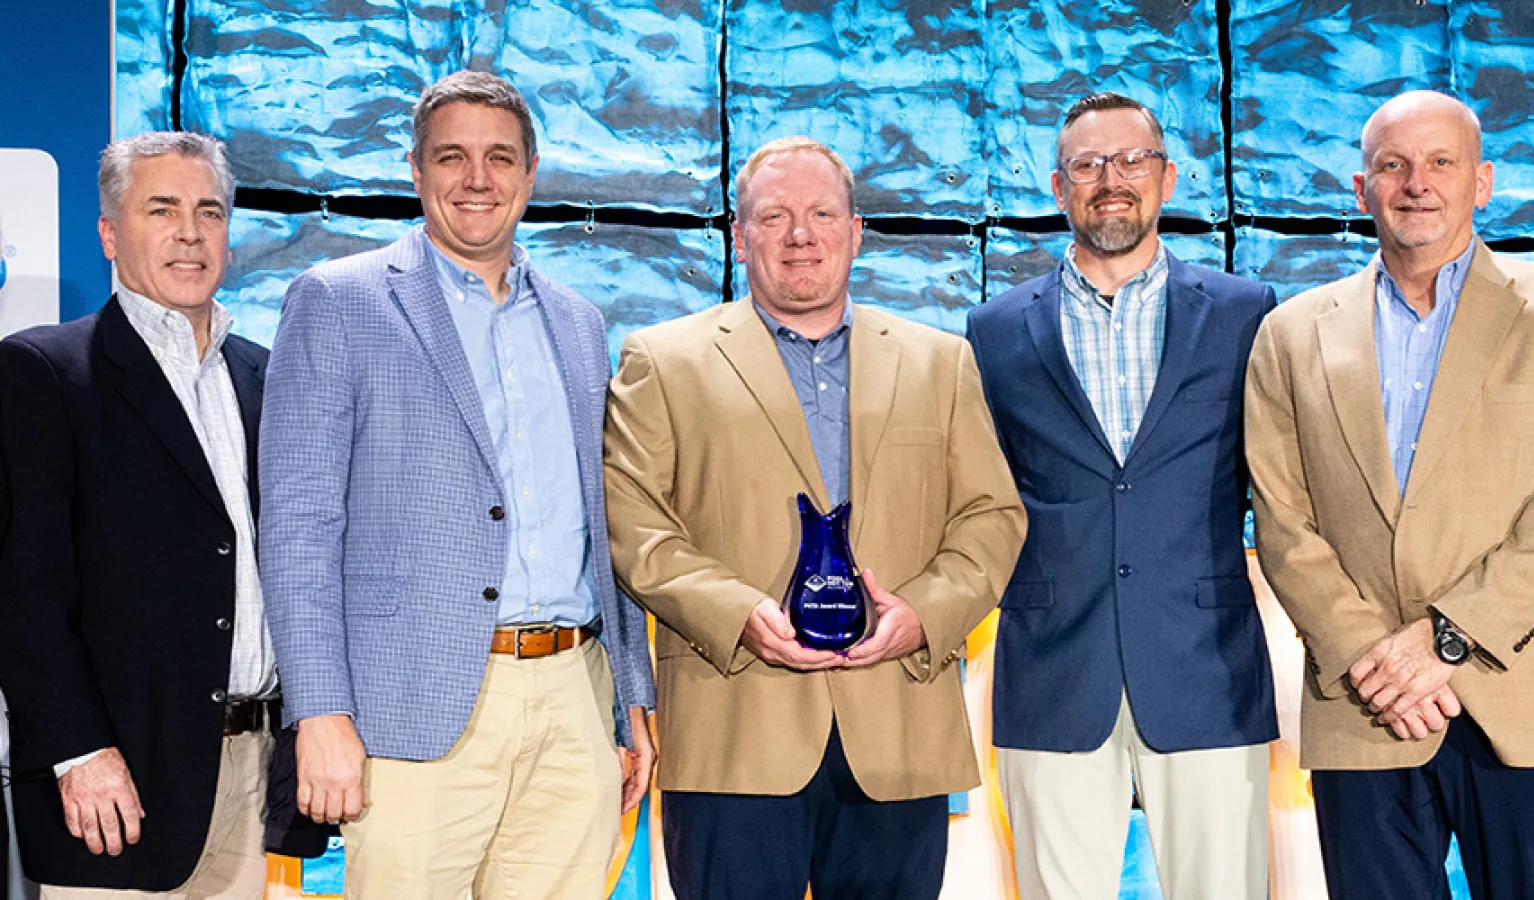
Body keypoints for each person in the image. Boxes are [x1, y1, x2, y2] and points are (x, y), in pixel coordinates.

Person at [258, 70, 654, 899]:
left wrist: (629, 700)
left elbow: (603, 518)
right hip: (413, 709)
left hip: (572, 698)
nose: (478, 179)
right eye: (453, 157)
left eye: (500, 158)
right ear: (416, 170)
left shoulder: (579, 322)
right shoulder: (338, 301)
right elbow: (297, 526)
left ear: (531, 173)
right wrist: (319, 712)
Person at [604, 135, 1026, 900]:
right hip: (736, 726)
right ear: (738, 235)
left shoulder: (939, 362)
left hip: (895, 727)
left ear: (856, 231)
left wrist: (924, 615)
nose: (801, 235)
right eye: (774, 216)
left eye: (822, 213)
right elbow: (634, 526)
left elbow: (991, 517)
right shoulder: (662, 361)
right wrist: (737, 614)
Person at [1246, 90, 1534, 900]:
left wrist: (1444, 643)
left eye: (1441, 162)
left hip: (1528, 702)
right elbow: (1283, 519)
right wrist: (1376, 660)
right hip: (1365, 706)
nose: (1417, 183)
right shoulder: (1292, 332)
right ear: (1360, 188)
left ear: (1482, 182)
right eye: (1393, 165)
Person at [967, 92, 1278, 900]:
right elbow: (980, 497)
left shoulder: (1246, 315)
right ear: (1058, 185)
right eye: (1088, 164)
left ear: (1167, 177)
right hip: (1053, 668)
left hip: (1206, 669)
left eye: (1132, 159)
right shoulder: (993, 330)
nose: (1112, 179)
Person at [0, 131, 273, 898]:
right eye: (163, 209)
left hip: (245, 775)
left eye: (209, 211)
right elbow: (25, 592)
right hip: (116, 786)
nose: (191, 232)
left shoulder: (262, 374)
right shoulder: (45, 372)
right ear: (110, 234)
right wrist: (77, 751)